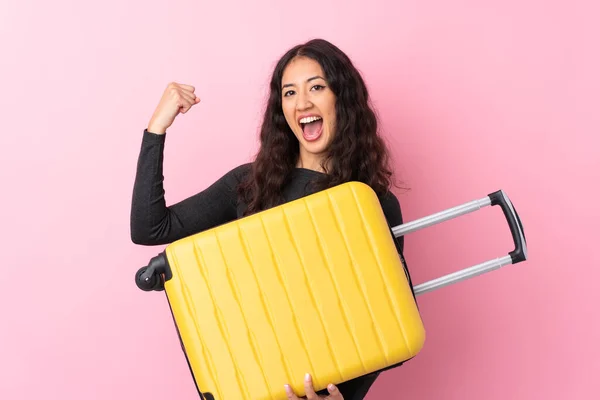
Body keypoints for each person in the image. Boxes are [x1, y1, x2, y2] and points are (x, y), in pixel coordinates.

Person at [130, 38, 409, 400]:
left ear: (343, 99)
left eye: (317, 87)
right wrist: (157, 128)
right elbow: (151, 227)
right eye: (289, 92)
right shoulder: (250, 184)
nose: (303, 102)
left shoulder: (372, 203)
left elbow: (388, 322)